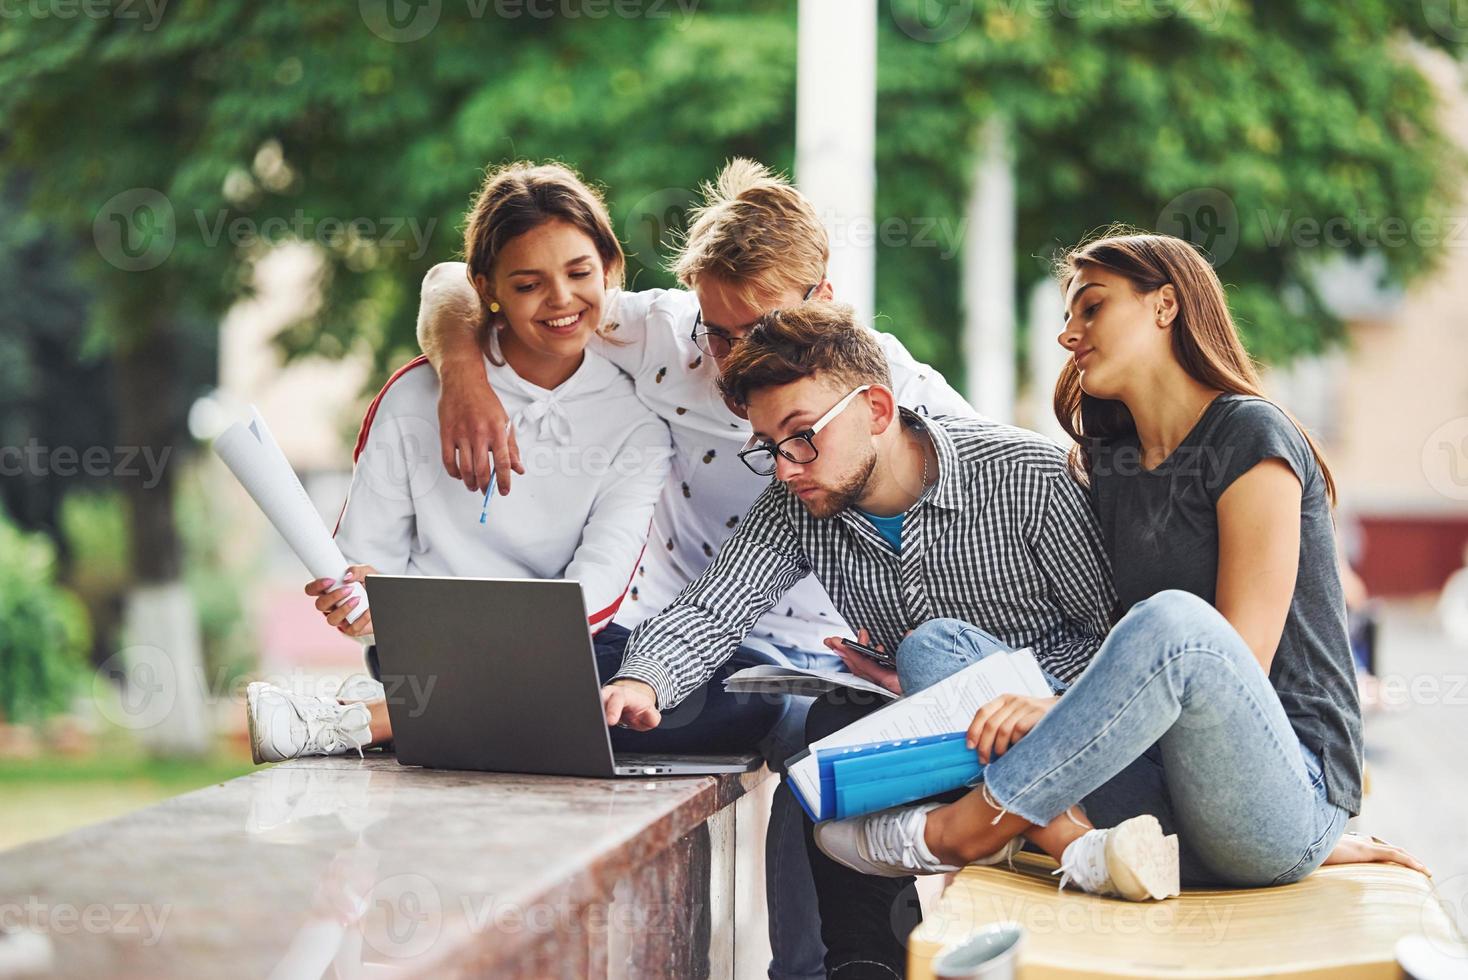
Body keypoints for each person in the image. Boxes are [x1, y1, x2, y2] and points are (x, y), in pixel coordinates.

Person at [802, 232, 1427, 978]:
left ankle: (973, 828)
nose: (1069, 334)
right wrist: (957, 692)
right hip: (1154, 800)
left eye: (1092, 308)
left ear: (1166, 304)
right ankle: (1079, 847)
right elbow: (1097, 645)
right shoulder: (1112, 461)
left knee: (1175, 622)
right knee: (937, 647)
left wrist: (1058, 711)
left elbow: (1238, 659)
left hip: (1278, 790)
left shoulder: (1251, 436)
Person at [413, 159, 976, 980]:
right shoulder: (663, 336)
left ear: (822, 295)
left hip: (831, 663)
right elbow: (450, 283)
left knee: (825, 773)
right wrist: (462, 372)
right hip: (688, 638)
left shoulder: (893, 385)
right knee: (574, 682)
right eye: (719, 332)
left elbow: (990, 489)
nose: (736, 357)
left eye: (763, 330)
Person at [598, 300, 1121, 978]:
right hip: (945, 752)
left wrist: (973, 688)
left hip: (1065, 744)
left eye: (802, 435)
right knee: (829, 735)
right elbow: (711, 609)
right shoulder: (800, 504)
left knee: (928, 650)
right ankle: (864, 968)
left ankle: (1049, 838)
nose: (787, 467)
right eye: (770, 447)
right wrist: (644, 680)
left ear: (876, 408)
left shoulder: (1030, 474)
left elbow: (1113, 643)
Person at [244, 161, 784, 762]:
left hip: (568, 646)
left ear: (610, 268)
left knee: (755, 689)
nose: (560, 300)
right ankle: (411, 714)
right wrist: (361, 602)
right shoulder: (417, 396)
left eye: (580, 273)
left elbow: (598, 589)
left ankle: (370, 722)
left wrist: (520, 650)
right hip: (427, 652)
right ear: (487, 288)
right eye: (528, 285)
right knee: (680, 697)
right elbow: (364, 561)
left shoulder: (636, 420)